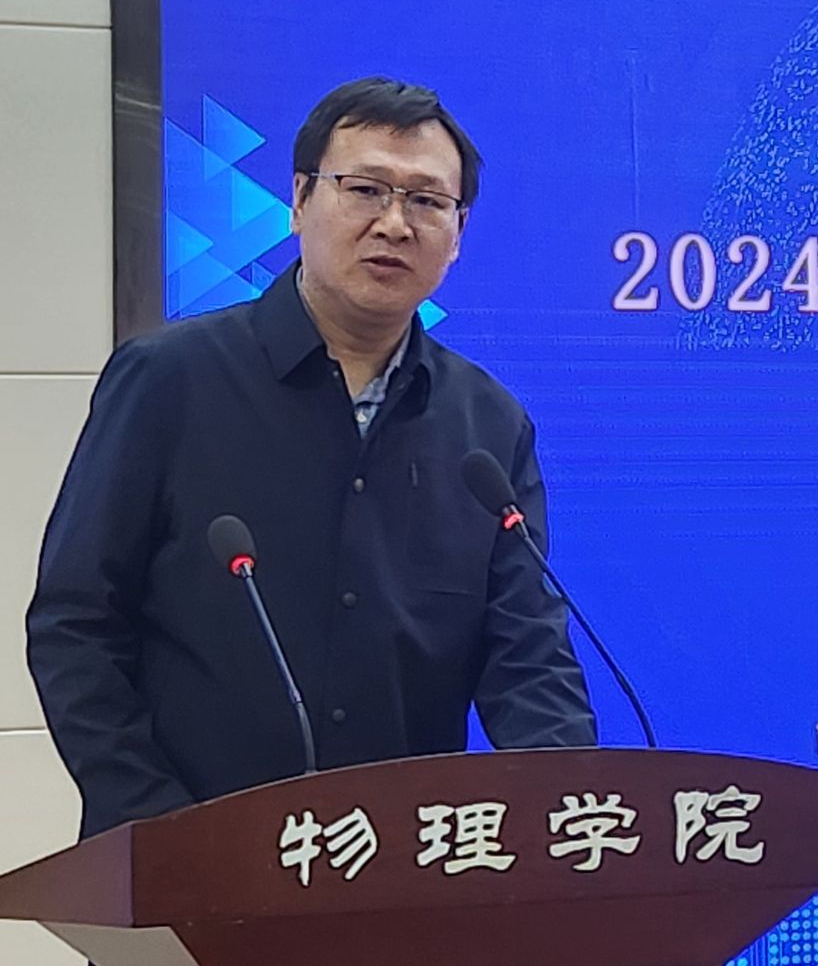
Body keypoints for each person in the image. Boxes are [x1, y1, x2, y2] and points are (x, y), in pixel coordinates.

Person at [27, 77, 595, 837]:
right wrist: (159, 828)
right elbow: (76, 625)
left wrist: (570, 813)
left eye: (428, 202)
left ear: (458, 232)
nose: (394, 224)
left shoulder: (488, 425)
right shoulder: (170, 381)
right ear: (299, 200)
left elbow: (527, 651)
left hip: (399, 863)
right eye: (365, 189)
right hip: (190, 860)